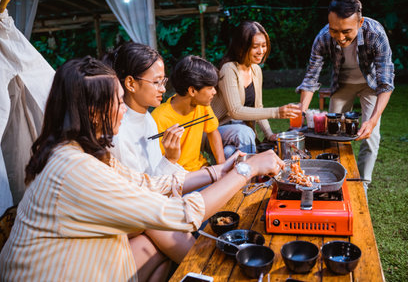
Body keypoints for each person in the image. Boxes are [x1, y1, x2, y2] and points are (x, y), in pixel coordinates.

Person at [0, 56, 284, 281]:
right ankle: (217, 272)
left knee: (160, 251)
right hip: (59, 272)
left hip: (82, 257)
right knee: (159, 232)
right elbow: (179, 214)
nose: (124, 108)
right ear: (93, 112)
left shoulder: (80, 151)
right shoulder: (74, 169)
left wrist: (219, 172)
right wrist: (245, 171)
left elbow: (148, 183)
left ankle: (209, 271)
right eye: (117, 101)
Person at [103, 42, 195, 265]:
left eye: (163, 81)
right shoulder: (118, 129)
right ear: (131, 84)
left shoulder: (148, 119)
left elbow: (155, 181)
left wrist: (170, 161)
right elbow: (142, 195)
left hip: (150, 207)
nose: (163, 89)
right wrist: (171, 160)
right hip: (131, 213)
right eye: (156, 82)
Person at [296, 0, 395, 193]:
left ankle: (362, 183)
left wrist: (373, 119)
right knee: (332, 135)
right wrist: (301, 111)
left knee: (371, 134)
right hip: (342, 85)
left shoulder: (375, 34)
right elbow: (311, 78)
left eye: (346, 31)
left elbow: (386, 83)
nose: (340, 38)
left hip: (370, 85)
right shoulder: (323, 37)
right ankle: (335, 178)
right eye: (335, 30)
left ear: (360, 22)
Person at [211, 21, 302, 158]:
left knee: (229, 153)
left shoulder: (256, 70)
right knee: (245, 133)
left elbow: (258, 106)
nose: (261, 51)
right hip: (218, 130)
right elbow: (235, 111)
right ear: (241, 47)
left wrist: (269, 134)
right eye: (255, 47)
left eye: (264, 46)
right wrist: (277, 112)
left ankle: (245, 176)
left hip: (242, 133)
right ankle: (250, 171)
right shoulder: (229, 69)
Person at [152, 55, 226, 171]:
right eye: (210, 88)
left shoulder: (202, 105)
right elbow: (159, 164)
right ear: (192, 91)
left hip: (201, 169)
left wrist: (222, 166)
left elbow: (212, 131)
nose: (214, 92)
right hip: (179, 178)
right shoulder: (159, 118)